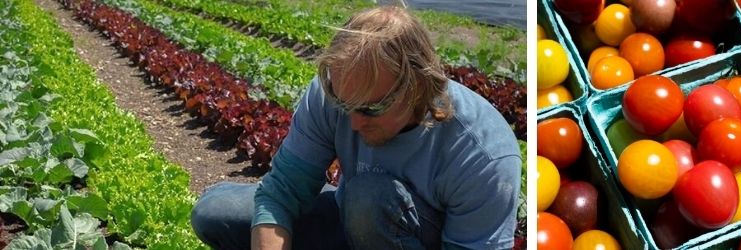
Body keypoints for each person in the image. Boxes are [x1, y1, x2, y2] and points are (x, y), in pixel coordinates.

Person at [190, 5, 521, 250]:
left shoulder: (482, 153)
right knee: (215, 209)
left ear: (417, 87)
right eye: (343, 104)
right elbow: (282, 192)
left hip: (409, 233)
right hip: (352, 218)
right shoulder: (337, 92)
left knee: (369, 201)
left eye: (371, 109)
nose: (353, 121)